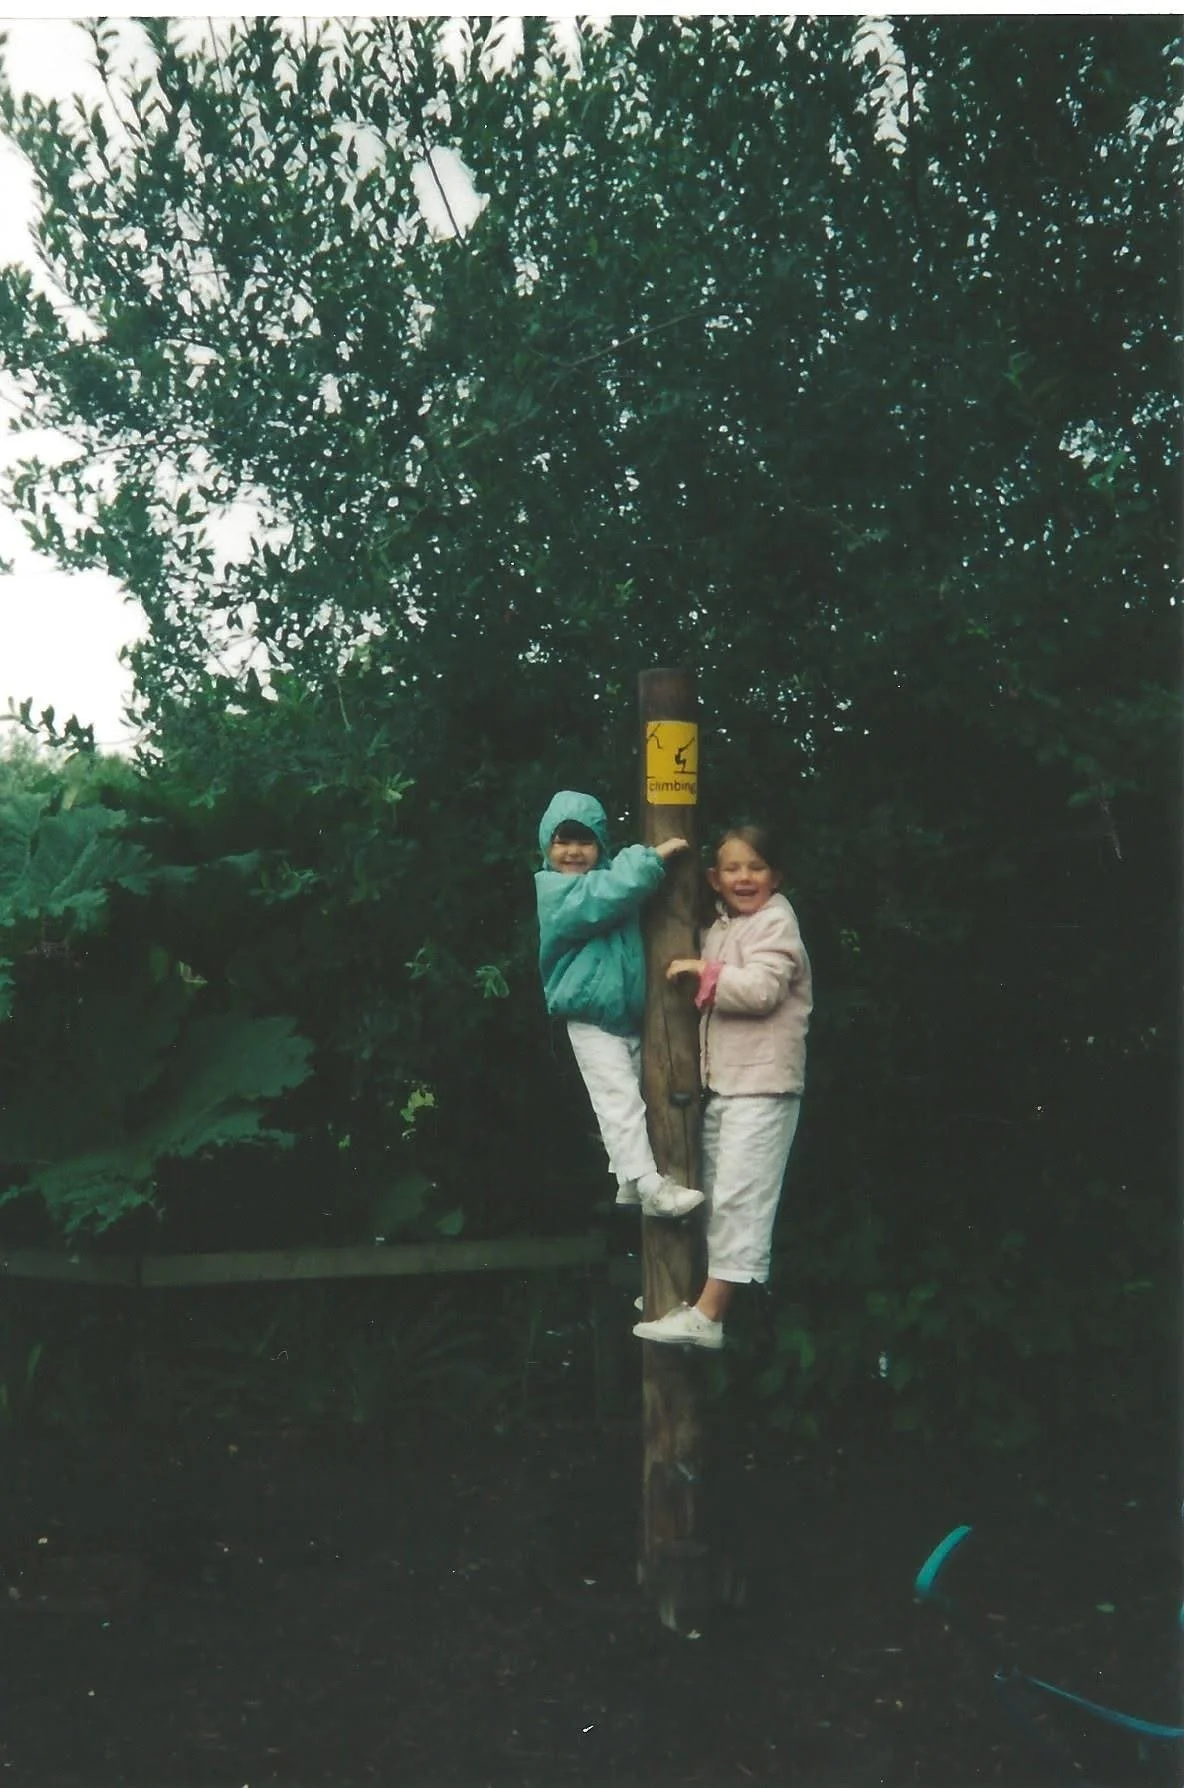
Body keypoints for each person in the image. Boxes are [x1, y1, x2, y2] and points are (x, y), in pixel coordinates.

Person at [633, 823, 812, 1349]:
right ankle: (684, 1298)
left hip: (766, 1087)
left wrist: (705, 974)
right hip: (727, 1087)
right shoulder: (723, 927)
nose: (744, 877)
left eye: (756, 867)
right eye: (732, 868)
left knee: (740, 1199)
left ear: (776, 876)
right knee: (710, 1197)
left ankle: (710, 1315)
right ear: (713, 877)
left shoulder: (777, 921)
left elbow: (761, 990)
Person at [535, 790, 705, 1220]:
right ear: (545, 846)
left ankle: (627, 1181)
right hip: (590, 1017)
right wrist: (650, 860)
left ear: (600, 846)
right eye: (562, 841)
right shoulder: (557, 892)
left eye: (584, 841)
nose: (573, 851)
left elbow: (616, 888)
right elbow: (605, 893)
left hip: (625, 1018)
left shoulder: (614, 882)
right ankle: (649, 1185)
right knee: (619, 1102)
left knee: (634, 1095)